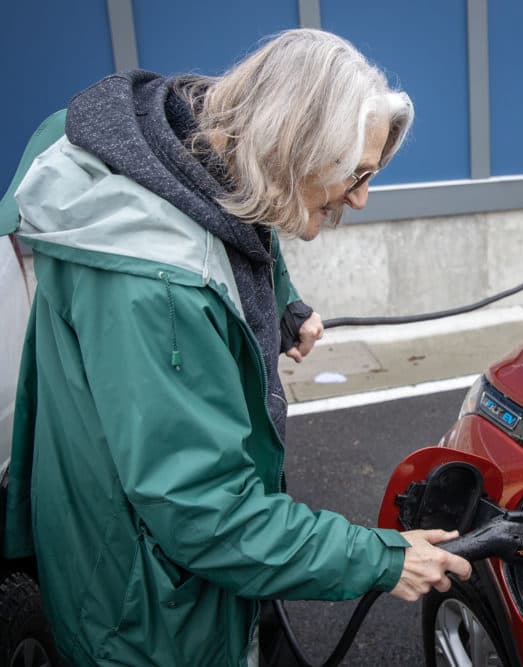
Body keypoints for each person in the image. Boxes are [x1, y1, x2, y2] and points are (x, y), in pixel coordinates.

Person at [4, 29, 471, 666]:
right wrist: (385, 560)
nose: (362, 197)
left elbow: (239, 217)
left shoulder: (188, 150)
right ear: (290, 150)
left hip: (177, 571)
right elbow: (207, 513)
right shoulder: (155, 294)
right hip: (148, 612)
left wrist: (283, 304)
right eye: (356, 174)